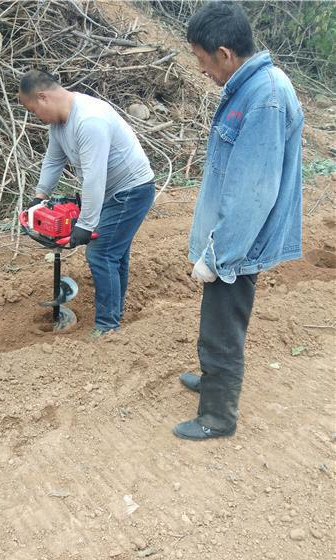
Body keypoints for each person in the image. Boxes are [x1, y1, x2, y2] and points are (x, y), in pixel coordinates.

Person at [174, 1, 304, 440]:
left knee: (221, 330)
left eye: (200, 58)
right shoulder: (252, 87)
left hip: (238, 244)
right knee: (218, 321)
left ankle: (217, 417)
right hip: (231, 237)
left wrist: (219, 255)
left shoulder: (263, 98)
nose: (200, 68)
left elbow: (253, 191)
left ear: (224, 53)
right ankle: (213, 384)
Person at [19, 70, 155, 336]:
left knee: (101, 253)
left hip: (131, 191)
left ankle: (107, 327)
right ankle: (115, 314)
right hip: (111, 191)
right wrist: (39, 198)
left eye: (34, 110)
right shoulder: (59, 123)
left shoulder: (89, 120)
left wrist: (85, 224)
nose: (36, 116)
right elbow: (53, 160)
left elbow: (95, 176)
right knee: (115, 253)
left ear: (43, 97)